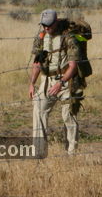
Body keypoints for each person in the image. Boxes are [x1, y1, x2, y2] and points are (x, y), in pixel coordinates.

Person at [28, 9, 85, 156]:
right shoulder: (41, 37)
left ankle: (71, 154)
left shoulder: (68, 37)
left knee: (68, 116)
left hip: (67, 81)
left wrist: (61, 83)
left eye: (49, 25)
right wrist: (32, 83)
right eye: (44, 25)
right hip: (46, 81)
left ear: (55, 22)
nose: (46, 28)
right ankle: (39, 154)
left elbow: (73, 66)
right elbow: (37, 63)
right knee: (38, 111)